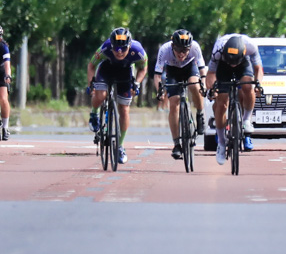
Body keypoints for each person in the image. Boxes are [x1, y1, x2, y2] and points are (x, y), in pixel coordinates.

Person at [86, 27, 147, 166]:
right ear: (111, 46)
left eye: (123, 50)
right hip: (106, 70)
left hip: (125, 72)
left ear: (129, 46)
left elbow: (143, 68)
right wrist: (91, 85)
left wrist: (137, 83)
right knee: (100, 95)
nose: (119, 52)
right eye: (116, 49)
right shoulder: (105, 48)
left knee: (124, 109)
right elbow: (91, 65)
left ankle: (120, 146)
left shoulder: (138, 50)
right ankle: (94, 114)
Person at [205, 33, 264, 164]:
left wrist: (258, 84)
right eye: (231, 62)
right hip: (222, 66)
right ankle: (221, 143)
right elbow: (211, 74)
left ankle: (247, 119)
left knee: (248, 85)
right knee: (221, 103)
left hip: (243, 64)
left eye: (234, 63)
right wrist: (211, 89)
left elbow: (258, 69)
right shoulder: (218, 50)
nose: (233, 65)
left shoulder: (250, 47)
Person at [153, 29, 207, 161]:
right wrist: (159, 90)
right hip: (173, 71)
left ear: (190, 48)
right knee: (174, 103)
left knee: (195, 85)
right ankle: (177, 144)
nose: (182, 54)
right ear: (173, 46)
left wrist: (204, 84)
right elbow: (157, 74)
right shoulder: (164, 49)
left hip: (189, 68)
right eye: (178, 50)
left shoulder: (195, 47)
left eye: (185, 50)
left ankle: (200, 114)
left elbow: (201, 68)